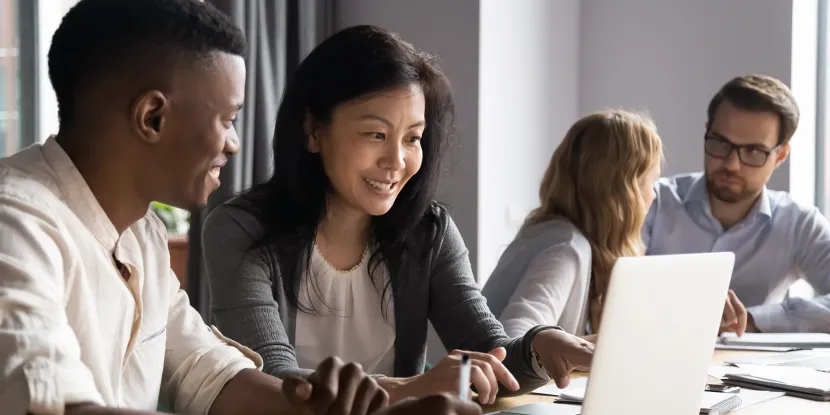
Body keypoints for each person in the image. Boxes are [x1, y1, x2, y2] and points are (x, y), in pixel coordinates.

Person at [0, 1, 480, 414]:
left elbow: (209, 375)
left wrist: (339, 406)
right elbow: (55, 404)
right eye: (228, 119)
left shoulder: (140, 234)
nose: (233, 144)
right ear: (153, 116)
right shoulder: (16, 221)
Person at [202, 25, 594, 406]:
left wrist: (541, 348)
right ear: (313, 131)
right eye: (376, 134)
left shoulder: (429, 231)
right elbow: (273, 380)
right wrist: (410, 388)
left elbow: (493, 358)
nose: (397, 161)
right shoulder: (239, 229)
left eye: (412, 138)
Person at [643, 74, 830, 334]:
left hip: (752, 371)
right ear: (706, 132)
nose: (731, 164)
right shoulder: (653, 201)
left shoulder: (799, 223)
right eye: (721, 143)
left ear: (781, 155)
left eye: (754, 152)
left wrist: (753, 320)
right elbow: (608, 294)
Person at [481, 110, 663, 338]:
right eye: (650, 181)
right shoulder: (566, 248)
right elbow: (515, 338)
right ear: (623, 191)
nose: (653, 195)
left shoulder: (550, 232)